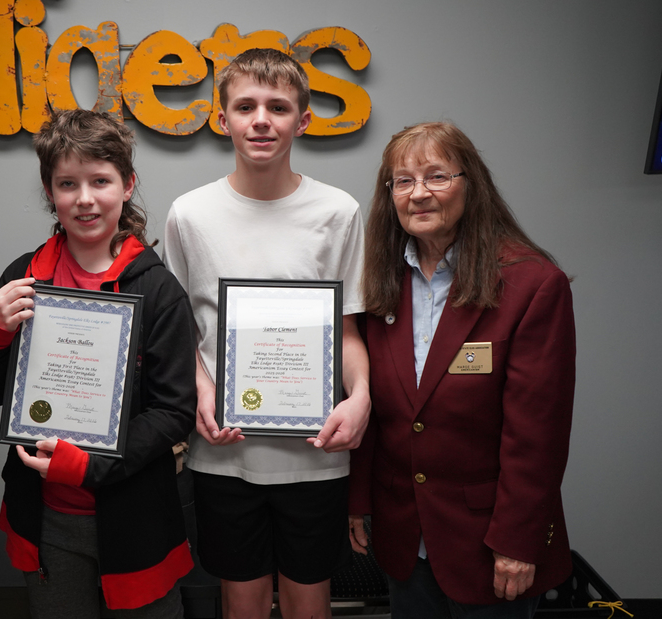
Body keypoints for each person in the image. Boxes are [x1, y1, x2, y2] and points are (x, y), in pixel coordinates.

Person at [163, 48, 371, 619]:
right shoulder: (189, 214)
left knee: (310, 601)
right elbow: (182, 330)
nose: (261, 120)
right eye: (245, 106)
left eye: (278, 107)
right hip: (225, 450)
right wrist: (202, 390)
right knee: (242, 602)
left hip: (315, 451)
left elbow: (348, 328)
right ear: (221, 118)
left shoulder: (339, 211)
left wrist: (361, 397)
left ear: (303, 120)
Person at [0, 109, 196, 618]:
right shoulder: (24, 279)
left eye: (100, 181)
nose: (85, 198)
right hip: (48, 517)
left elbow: (175, 412)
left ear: (127, 184)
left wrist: (90, 465)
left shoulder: (158, 290)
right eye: (68, 184)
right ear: (50, 191)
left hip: (135, 515)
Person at [349, 121, 575, 618]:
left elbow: (537, 435)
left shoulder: (532, 284)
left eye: (437, 176)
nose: (419, 193)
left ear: (471, 183)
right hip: (403, 533)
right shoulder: (380, 283)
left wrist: (517, 540)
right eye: (403, 181)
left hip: (491, 543)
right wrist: (358, 500)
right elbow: (374, 407)